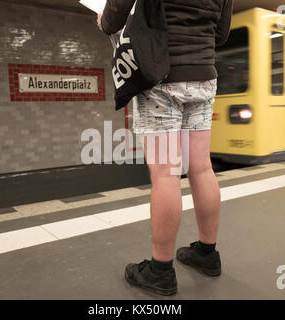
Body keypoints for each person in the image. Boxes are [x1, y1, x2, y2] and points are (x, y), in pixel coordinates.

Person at [98, 0, 233, 296]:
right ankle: (207, 254)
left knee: (166, 174)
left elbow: (117, 10)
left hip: (161, 73)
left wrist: (105, 22)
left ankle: (159, 271)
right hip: (203, 75)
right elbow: (221, 33)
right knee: (201, 166)